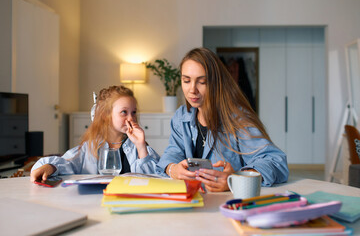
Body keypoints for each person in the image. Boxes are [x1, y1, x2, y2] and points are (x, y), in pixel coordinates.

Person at [156, 47, 289, 192]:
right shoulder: (181, 116)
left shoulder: (238, 119)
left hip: (227, 204)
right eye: (186, 80)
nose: (192, 89)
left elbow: (276, 162)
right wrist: (172, 169)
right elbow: (173, 153)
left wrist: (237, 178)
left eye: (202, 82)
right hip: (193, 201)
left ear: (215, 83)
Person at [30, 85, 160, 182]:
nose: (131, 118)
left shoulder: (137, 148)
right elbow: (67, 163)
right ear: (105, 115)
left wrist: (141, 146)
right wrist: (50, 167)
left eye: (134, 112)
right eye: (124, 112)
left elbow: (156, 178)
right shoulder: (90, 148)